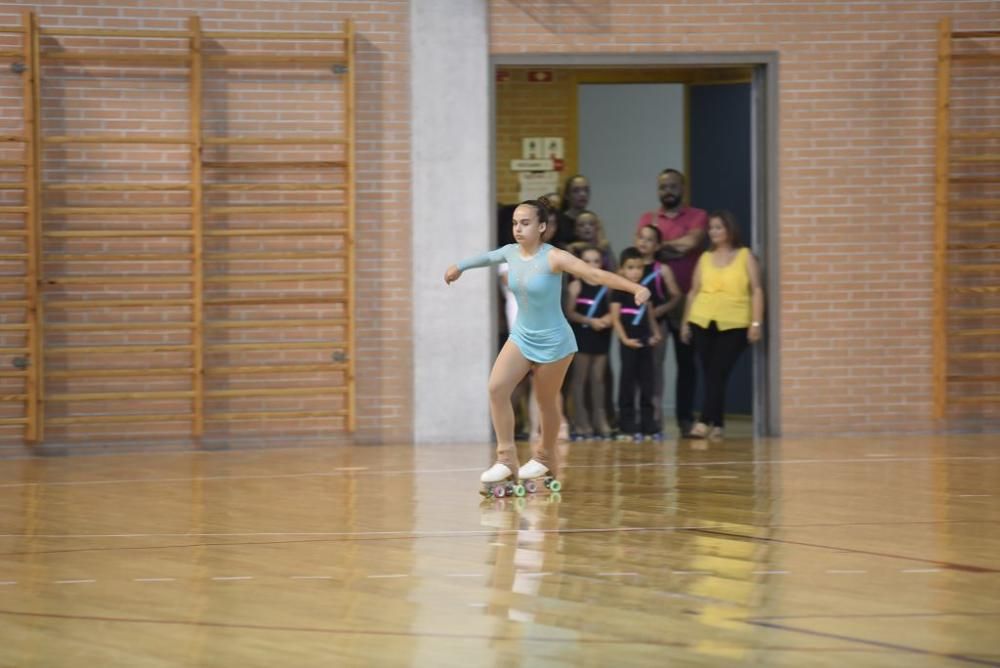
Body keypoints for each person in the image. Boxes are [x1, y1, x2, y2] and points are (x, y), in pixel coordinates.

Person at [445, 198, 651, 493]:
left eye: (525, 223)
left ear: (542, 227)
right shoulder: (510, 253)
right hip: (521, 337)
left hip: (555, 342)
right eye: (515, 223)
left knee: (546, 402)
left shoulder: (555, 257)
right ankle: (506, 460)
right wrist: (459, 267)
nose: (518, 228)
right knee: (496, 388)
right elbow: (486, 258)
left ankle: (543, 456)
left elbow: (594, 274)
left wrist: (635, 288)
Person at [680, 210, 764, 439]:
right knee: (711, 374)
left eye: (719, 227)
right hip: (702, 319)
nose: (714, 232)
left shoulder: (745, 255)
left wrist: (756, 322)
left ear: (729, 230)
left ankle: (703, 421)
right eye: (711, 228)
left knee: (717, 371)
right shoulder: (705, 258)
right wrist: (685, 322)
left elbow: (756, 289)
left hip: (735, 322)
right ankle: (717, 424)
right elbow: (693, 292)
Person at [636, 168, 707, 436]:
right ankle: (651, 419)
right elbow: (647, 247)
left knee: (687, 362)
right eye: (663, 186)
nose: (668, 190)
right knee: (652, 363)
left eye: (673, 186)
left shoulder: (698, 216)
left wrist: (663, 246)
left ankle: (685, 419)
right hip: (655, 301)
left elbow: (692, 243)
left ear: (683, 188)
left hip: (688, 299)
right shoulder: (648, 217)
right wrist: (676, 246)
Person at [610, 247, 663, 441]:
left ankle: (649, 425)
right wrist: (624, 340)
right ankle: (627, 425)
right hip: (628, 343)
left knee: (647, 382)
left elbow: (649, 316)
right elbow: (615, 319)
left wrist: (656, 333)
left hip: (645, 342)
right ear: (622, 269)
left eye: (639, 268)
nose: (635, 272)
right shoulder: (618, 292)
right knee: (628, 383)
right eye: (630, 268)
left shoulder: (644, 292)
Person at [635, 224, 683, 429]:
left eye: (649, 240)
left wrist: (659, 311)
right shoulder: (630, 266)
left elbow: (677, 295)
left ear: (657, 245)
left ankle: (655, 415)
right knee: (633, 371)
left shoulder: (661, 269)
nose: (644, 242)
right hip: (632, 326)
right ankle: (637, 416)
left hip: (656, 326)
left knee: (654, 371)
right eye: (641, 238)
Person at [563, 245, 613, 440]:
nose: (592, 265)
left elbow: (613, 307)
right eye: (587, 261)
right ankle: (581, 420)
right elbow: (570, 312)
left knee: (598, 380)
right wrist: (590, 321)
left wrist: (608, 319)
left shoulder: (606, 285)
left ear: (602, 264)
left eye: (596, 261)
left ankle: (599, 418)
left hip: (601, 334)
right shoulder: (576, 285)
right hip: (582, 334)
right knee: (579, 379)